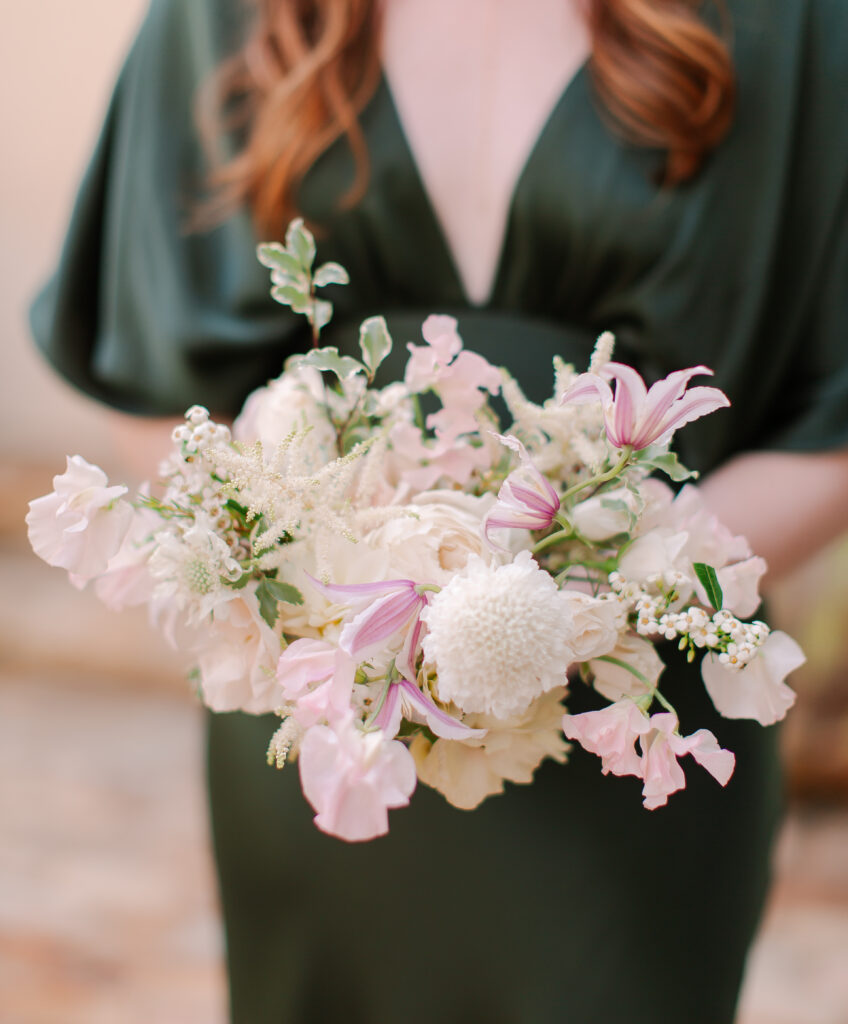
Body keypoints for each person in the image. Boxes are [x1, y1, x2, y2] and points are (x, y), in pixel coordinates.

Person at [32, 0, 848, 1021]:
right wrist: (324, 590)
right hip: (333, 706)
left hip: (629, 726)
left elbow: (833, 420)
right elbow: (152, 376)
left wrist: (578, 608)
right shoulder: (224, 17)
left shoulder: (789, 25)